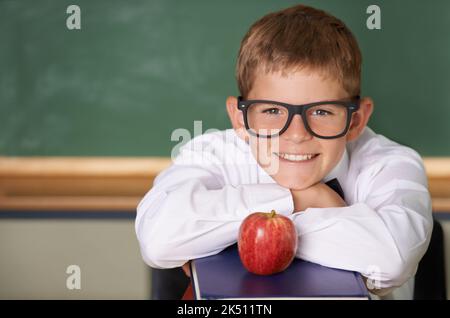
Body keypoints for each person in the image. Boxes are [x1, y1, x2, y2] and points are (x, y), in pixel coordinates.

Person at [135, 4, 432, 299]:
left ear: (355, 120)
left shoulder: (391, 164)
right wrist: (299, 199)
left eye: (322, 112)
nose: (297, 134)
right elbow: (159, 238)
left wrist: (236, 232)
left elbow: (391, 257)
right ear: (240, 118)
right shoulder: (212, 153)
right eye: (273, 110)